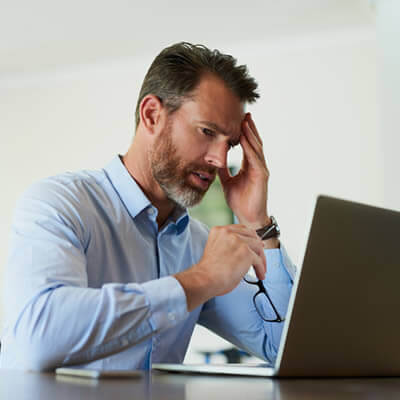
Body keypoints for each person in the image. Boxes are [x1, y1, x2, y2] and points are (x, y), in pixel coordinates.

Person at [0, 42, 295, 371]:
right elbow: (37, 338)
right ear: (152, 115)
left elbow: (285, 349)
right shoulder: (60, 203)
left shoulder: (197, 245)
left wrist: (258, 222)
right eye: (207, 132)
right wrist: (199, 280)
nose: (221, 159)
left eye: (230, 143)